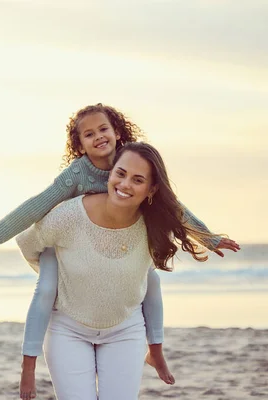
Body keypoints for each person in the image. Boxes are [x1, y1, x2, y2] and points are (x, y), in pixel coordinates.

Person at [0, 104, 239, 398]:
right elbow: (38, 205)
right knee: (46, 288)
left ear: (117, 132)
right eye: (89, 134)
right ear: (79, 145)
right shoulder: (76, 175)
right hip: (66, 244)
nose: (98, 137)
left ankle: (155, 350)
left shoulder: (133, 161)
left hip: (118, 264)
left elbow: (175, 209)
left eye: (103, 129)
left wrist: (209, 239)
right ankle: (28, 365)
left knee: (152, 280)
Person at [16, 142, 229, 399]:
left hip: (125, 330)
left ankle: (156, 353)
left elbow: (178, 225)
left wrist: (210, 238)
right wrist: (53, 273)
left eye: (138, 180)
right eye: (121, 173)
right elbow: (28, 243)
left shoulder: (154, 224)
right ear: (110, 174)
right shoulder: (69, 216)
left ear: (151, 190)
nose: (125, 184)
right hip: (68, 328)